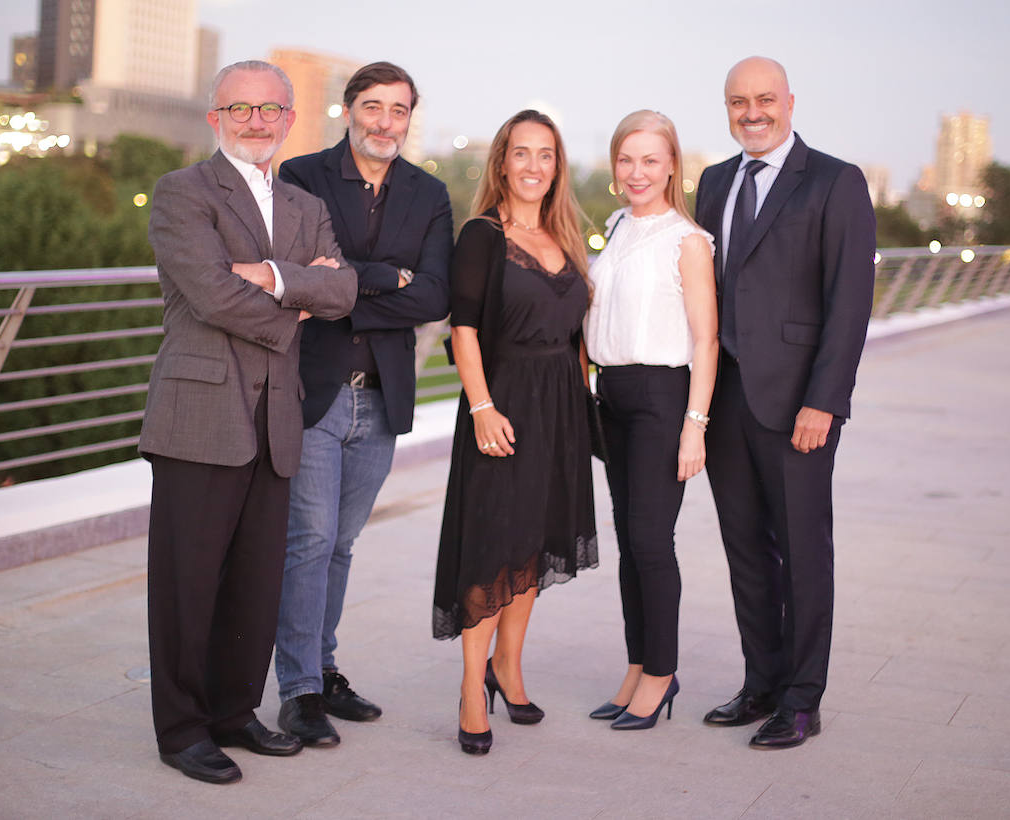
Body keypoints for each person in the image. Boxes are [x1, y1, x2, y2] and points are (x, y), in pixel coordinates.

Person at [139, 60, 358, 784]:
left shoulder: (302, 203)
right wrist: (298, 291)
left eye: (271, 110)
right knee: (187, 582)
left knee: (254, 582)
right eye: (242, 109)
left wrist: (266, 275)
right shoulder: (183, 193)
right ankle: (182, 730)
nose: (258, 122)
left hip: (275, 419)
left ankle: (234, 712)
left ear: (290, 119)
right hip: (200, 412)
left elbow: (344, 287)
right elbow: (210, 295)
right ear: (216, 119)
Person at [694, 57, 876, 749]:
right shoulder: (714, 181)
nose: (751, 112)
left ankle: (803, 698)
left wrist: (823, 402)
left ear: (790, 102)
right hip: (726, 399)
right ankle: (760, 682)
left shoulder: (835, 181)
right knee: (744, 548)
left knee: (802, 551)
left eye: (764, 99)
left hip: (798, 402)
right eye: (738, 102)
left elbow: (849, 304)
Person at [272, 62, 453, 748]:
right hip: (312, 392)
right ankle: (299, 692)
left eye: (398, 110)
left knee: (341, 544)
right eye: (372, 107)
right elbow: (294, 280)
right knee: (310, 542)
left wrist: (344, 284)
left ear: (410, 117)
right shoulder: (303, 178)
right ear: (347, 109)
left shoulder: (428, 194)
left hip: (380, 398)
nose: (384, 121)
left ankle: (322, 665)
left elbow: (435, 296)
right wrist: (384, 279)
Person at [432, 109, 598, 755]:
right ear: (502, 162)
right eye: (521, 153)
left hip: (559, 408)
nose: (533, 166)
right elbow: (464, 327)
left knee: (532, 548)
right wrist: (481, 407)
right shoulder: (481, 234)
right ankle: (473, 688)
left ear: (558, 166)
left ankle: (510, 669)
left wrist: (582, 408)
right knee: (490, 549)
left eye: (546, 154)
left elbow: (577, 336)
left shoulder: (567, 238)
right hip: (502, 407)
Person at [583, 110, 717, 730]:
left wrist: (696, 424)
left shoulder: (687, 239)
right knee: (629, 548)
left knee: (650, 543)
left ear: (671, 167)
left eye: (651, 161)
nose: (637, 173)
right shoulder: (614, 226)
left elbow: (706, 340)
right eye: (627, 160)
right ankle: (637, 667)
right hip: (612, 396)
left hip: (664, 398)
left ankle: (662, 674)